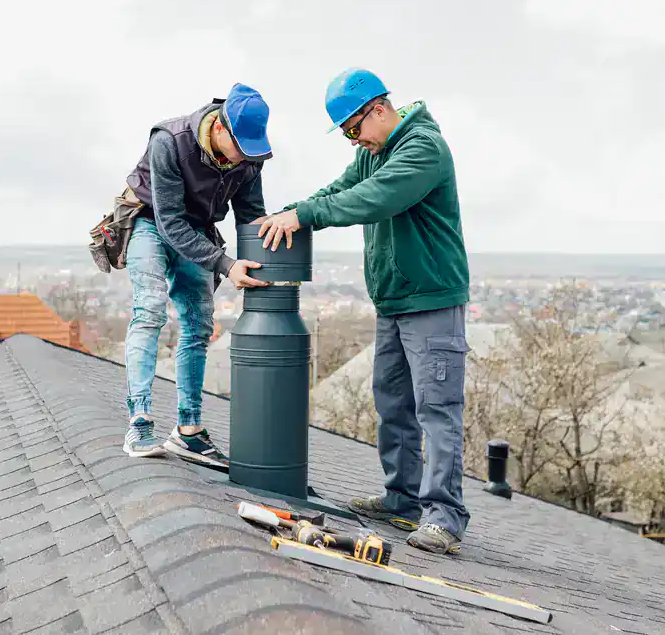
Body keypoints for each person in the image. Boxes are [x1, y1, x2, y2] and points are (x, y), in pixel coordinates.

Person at [257, 69, 471, 554]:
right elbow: (337, 191)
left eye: (354, 129)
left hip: (432, 301)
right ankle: (402, 499)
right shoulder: (371, 153)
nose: (353, 141)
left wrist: (305, 216)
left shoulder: (422, 148)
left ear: (379, 109)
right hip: (394, 301)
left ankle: (445, 516)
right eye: (347, 134)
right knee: (393, 403)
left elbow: (373, 199)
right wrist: (286, 213)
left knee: (436, 409)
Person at [122, 83, 271, 468]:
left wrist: (263, 262)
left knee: (198, 325)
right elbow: (170, 222)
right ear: (219, 129)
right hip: (151, 221)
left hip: (198, 229)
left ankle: (188, 430)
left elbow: (251, 217)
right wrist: (225, 264)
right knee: (150, 309)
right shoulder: (170, 141)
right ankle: (139, 421)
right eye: (240, 148)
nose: (244, 158)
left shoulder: (249, 158)